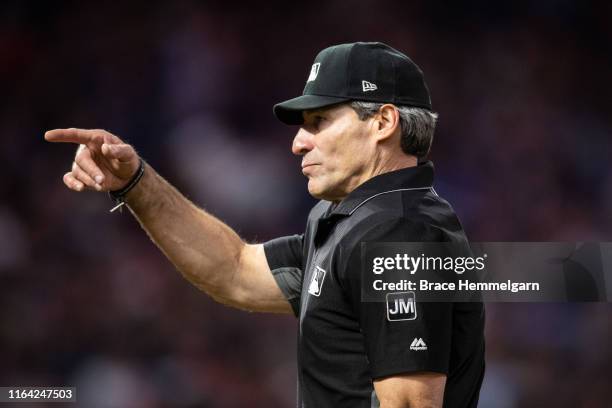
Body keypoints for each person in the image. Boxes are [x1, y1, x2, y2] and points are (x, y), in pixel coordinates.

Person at [45, 42, 485, 408]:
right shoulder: (351, 220)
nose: (298, 142)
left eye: (320, 121)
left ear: (383, 123)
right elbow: (233, 270)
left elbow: (411, 404)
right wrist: (136, 182)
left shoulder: (400, 233)